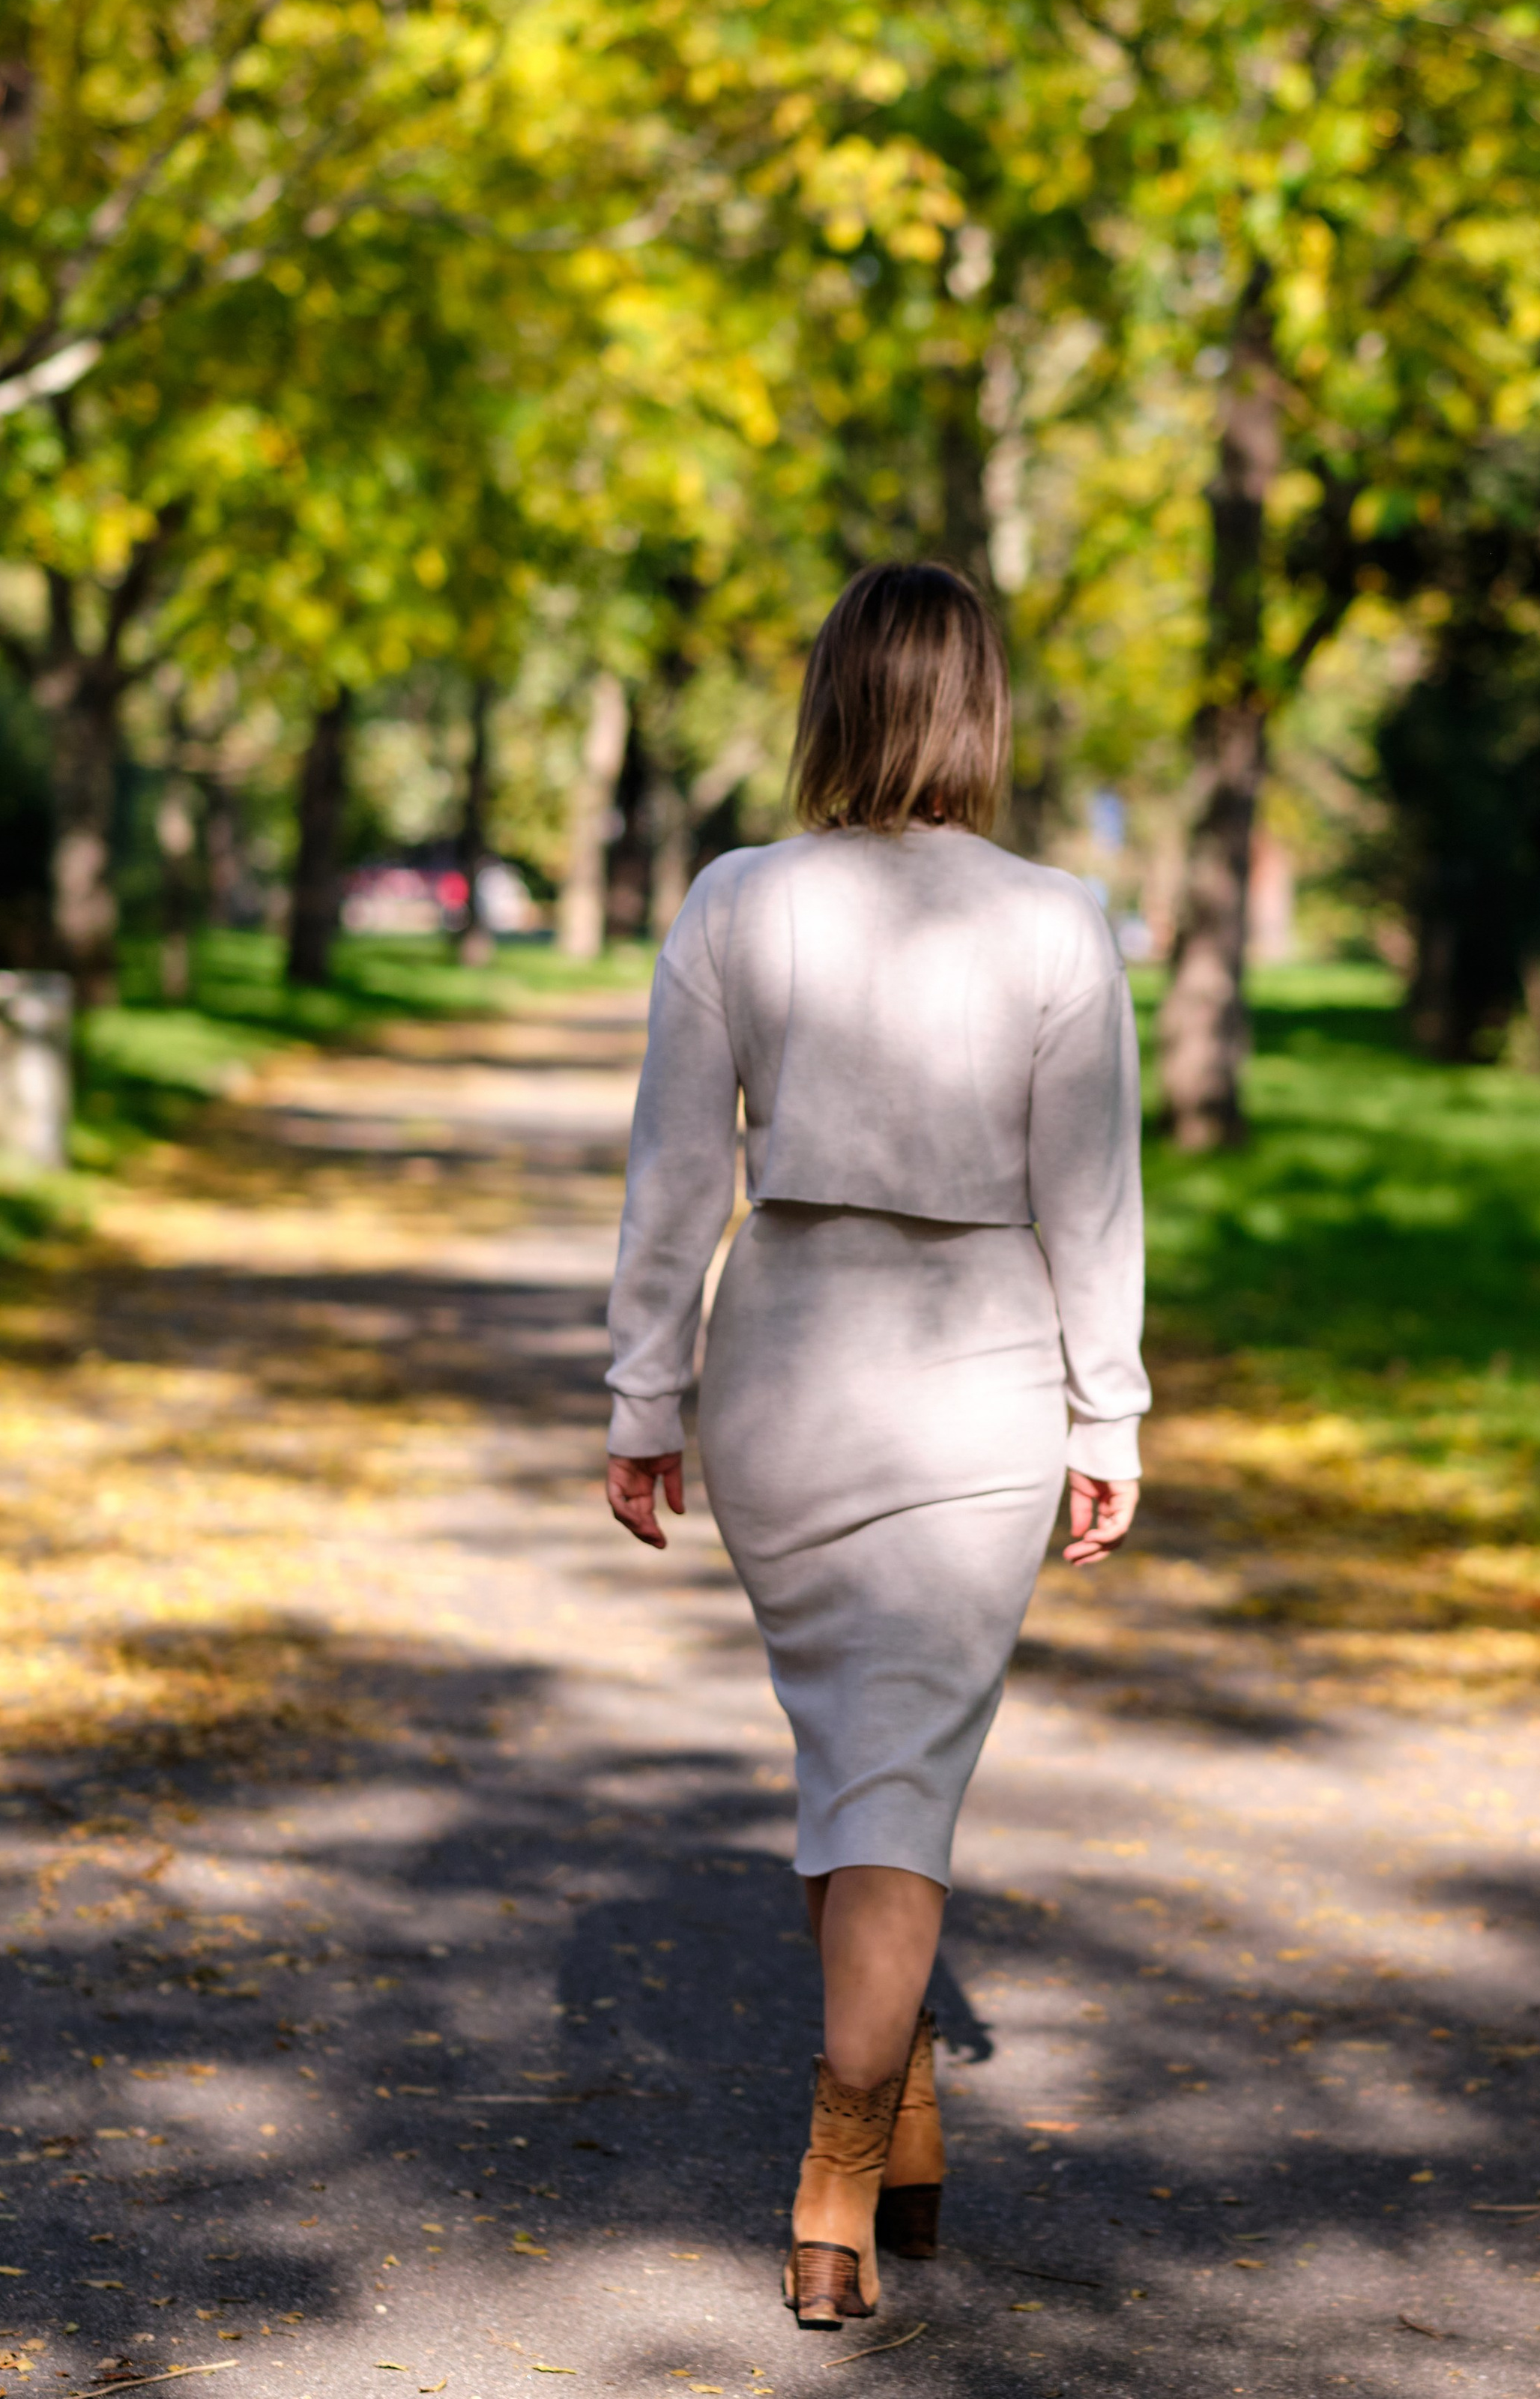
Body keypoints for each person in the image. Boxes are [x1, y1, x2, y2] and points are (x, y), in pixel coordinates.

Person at [601, 561, 1148, 2329]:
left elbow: (676, 1181)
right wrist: (1105, 1405)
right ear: (980, 708)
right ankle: (842, 2165)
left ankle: (881, 2133)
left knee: (858, 1758)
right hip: (977, 1378)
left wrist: (643, 1398)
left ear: (830, 697)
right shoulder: (1058, 918)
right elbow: (1093, 1201)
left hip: (783, 1376)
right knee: (887, 1762)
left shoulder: (737, 900)